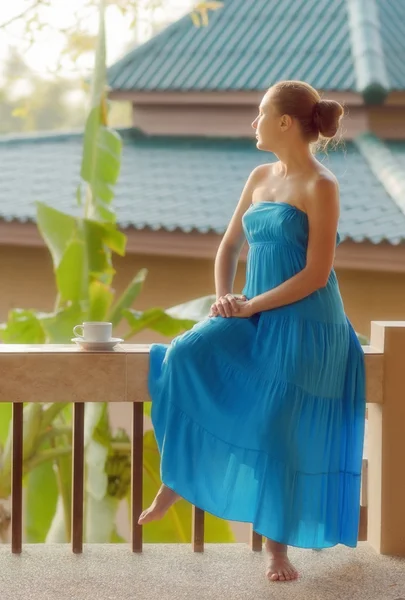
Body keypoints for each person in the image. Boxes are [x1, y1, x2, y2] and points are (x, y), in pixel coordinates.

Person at [138, 80, 366, 583]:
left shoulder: (321, 185)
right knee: (184, 354)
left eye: (260, 113)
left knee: (275, 430)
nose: (254, 122)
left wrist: (250, 306)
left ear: (285, 122)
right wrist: (225, 300)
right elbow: (229, 247)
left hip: (309, 325)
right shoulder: (260, 175)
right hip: (251, 313)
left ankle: (275, 550)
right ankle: (176, 476)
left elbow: (315, 272)